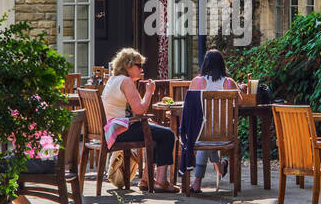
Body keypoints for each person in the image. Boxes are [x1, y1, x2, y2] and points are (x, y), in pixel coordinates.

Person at [101, 47, 180, 192]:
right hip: (122, 130)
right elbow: (140, 110)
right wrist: (150, 92)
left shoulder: (113, 80)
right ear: (127, 66)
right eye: (138, 66)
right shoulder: (126, 81)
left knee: (156, 132)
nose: (141, 69)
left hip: (113, 130)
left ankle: (146, 179)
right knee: (167, 134)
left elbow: (131, 112)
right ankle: (161, 182)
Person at [186, 50, 242, 194]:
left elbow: (189, 105)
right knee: (210, 137)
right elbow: (240, 102)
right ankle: (220, 167)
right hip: (224, 135)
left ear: (205, 63)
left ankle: (197, 183)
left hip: (201, 134)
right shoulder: (229, 83)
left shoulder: (196, 82)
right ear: (222, 65)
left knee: (205, 136)